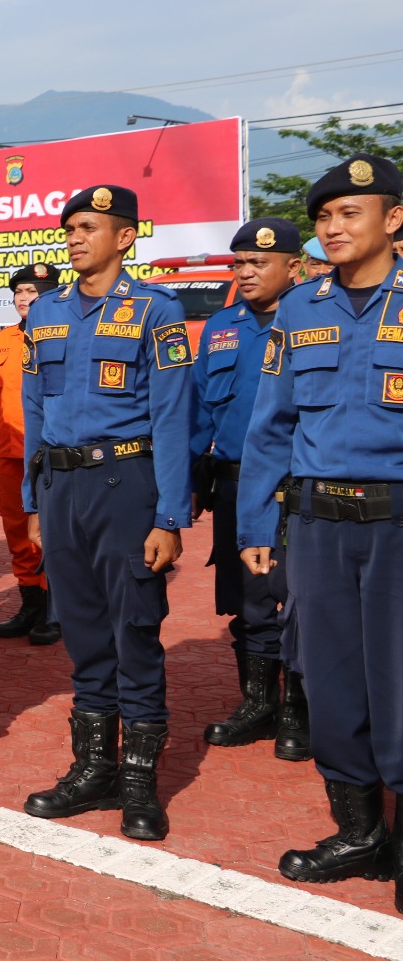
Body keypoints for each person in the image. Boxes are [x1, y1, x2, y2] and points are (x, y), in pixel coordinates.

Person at [239, 155, 403, 904]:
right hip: (316, 525)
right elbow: (269, 428)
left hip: (397, 525)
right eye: (325, 217)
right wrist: (253, 521)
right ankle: (361, 830)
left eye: (350, 214)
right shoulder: (301, 310)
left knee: (398, 678)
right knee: (328, 677)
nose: (333, 228)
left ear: (393, 220)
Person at [20, 185, 192, 841]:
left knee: (135, 633)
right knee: (85, 635)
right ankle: (93, 768)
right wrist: (35, 502)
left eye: (88, 227)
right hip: (63, 490)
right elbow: (35, 410)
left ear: (125, 237)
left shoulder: (156, 311)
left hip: (128, 485)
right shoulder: (47, 313)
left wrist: (169, 517)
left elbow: (174, 418)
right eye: (69, 228)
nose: (73, 237)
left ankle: (142, 785)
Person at [191, 220, 307, 756]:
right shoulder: (221, 327)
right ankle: (259, 704)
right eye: (239, 263)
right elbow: (197, 411)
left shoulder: (313, 319)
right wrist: (191, 478)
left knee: (300, 603)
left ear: (294, 267)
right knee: (250, 602)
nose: (246, 272)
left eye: (259, 263)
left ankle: (299, 712)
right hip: (237, 485)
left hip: (302, 488)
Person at [0, 262, 59, 643]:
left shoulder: (65, 334)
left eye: (32, 292)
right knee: (17, 532)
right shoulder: (4, 339)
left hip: (52, 453)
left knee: (51, 531)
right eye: (19, 293)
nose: (23, 299)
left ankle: (56, 608)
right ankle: (30, 602)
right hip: (11, 453)